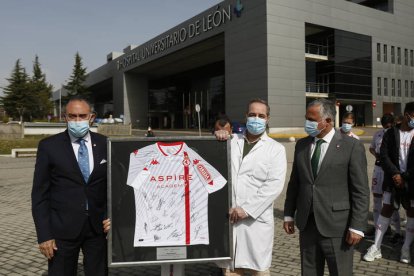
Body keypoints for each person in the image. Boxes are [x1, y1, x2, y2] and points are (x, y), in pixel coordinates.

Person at [283, 98, 369, 276]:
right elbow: (294, 184)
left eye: (312, 119)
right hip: (307, 225)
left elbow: (360, 191)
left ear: (328, 121)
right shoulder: (302, 145)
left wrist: (357, 226)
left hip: (338, 228)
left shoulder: (351, 146)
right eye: (306, 118)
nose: (307, 123)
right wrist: (288, 214)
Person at [32, 97, 109, 276]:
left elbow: (113, 186)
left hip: (98, 229)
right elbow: (40, 195)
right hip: (62, 230)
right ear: (65, 117)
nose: (77, 121)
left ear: (92, 117)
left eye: (82, 116)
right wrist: (44, 235)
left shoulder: (105, 144)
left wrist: (112, 216)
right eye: (72, 116)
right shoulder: (49, 146)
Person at [215, 98, 287, 276]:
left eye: (261, 115)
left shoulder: (275, 149)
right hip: (230, 218)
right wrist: (218, 136)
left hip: (255, 221)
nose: (256, 118)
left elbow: (273, 186)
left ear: (267, 118)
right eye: (253, 114)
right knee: (231, 270)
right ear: (246, 116)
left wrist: (246, 209)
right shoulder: (231, 142)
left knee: (258, 270)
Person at [363, 102, 414, 264]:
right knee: (386, 210)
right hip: (392, 181)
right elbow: (383, 156)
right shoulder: (391, 133)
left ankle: (406, 248)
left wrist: (404, 176)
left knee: (412, 213)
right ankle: (376, 247)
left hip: (411, 182)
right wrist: (395, 174)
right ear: (408, 115)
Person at [366, 114, 402, 241]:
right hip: (378, 169)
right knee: (376, 201)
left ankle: (397, 231)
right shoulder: (377, 134)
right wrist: (376, 154)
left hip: (390, 171)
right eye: (384, 126)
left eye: (388, 126)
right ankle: (378, 228)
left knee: (391, 202)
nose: (386, 128)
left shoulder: (396, 134)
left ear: (392, 124)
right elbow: (371, 148)